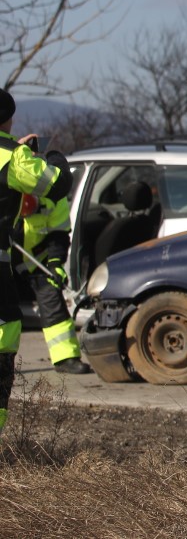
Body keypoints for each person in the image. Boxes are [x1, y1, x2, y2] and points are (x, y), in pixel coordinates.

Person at [0, 88, 74, 434]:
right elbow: (55, 183)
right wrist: (53, 157)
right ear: (8, 118)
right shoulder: (13, 158)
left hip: (32, 256)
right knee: (4, 338)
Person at [17, 186, 92, 374]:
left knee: (52, 299)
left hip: (37, 261)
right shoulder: (6, 199)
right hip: (6, 260)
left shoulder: (54, 198)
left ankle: (65, 358)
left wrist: (55, 263)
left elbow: (58, 235)